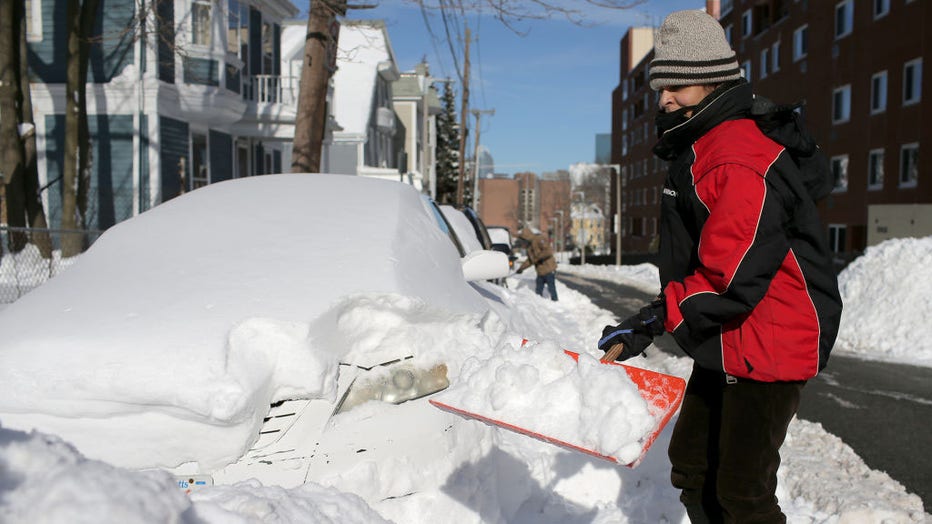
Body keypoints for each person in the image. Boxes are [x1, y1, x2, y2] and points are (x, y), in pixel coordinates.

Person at [597, 10, 842, 524]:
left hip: (768, 339)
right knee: (693, 468)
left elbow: (729, 275)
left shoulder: (734, 156)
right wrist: (654, 316)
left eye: (678, 86)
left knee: (742, 492)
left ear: (714, 79)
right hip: (732, 337)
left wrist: (654, 318)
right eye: (660, 86)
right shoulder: (704, 145)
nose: (664, 98)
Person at [515, 227, 558, 301]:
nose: (523, 242)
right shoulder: (529, 248)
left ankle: (555, 302)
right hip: (540, 272)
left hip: (549, 270)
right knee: (538, 289)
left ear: (527, 237)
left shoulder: (539, 239)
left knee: (551, 288)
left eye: (523, 239)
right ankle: (539, 304)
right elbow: (530, 260)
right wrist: (521, 268)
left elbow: (548, 251)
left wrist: (537, 258)